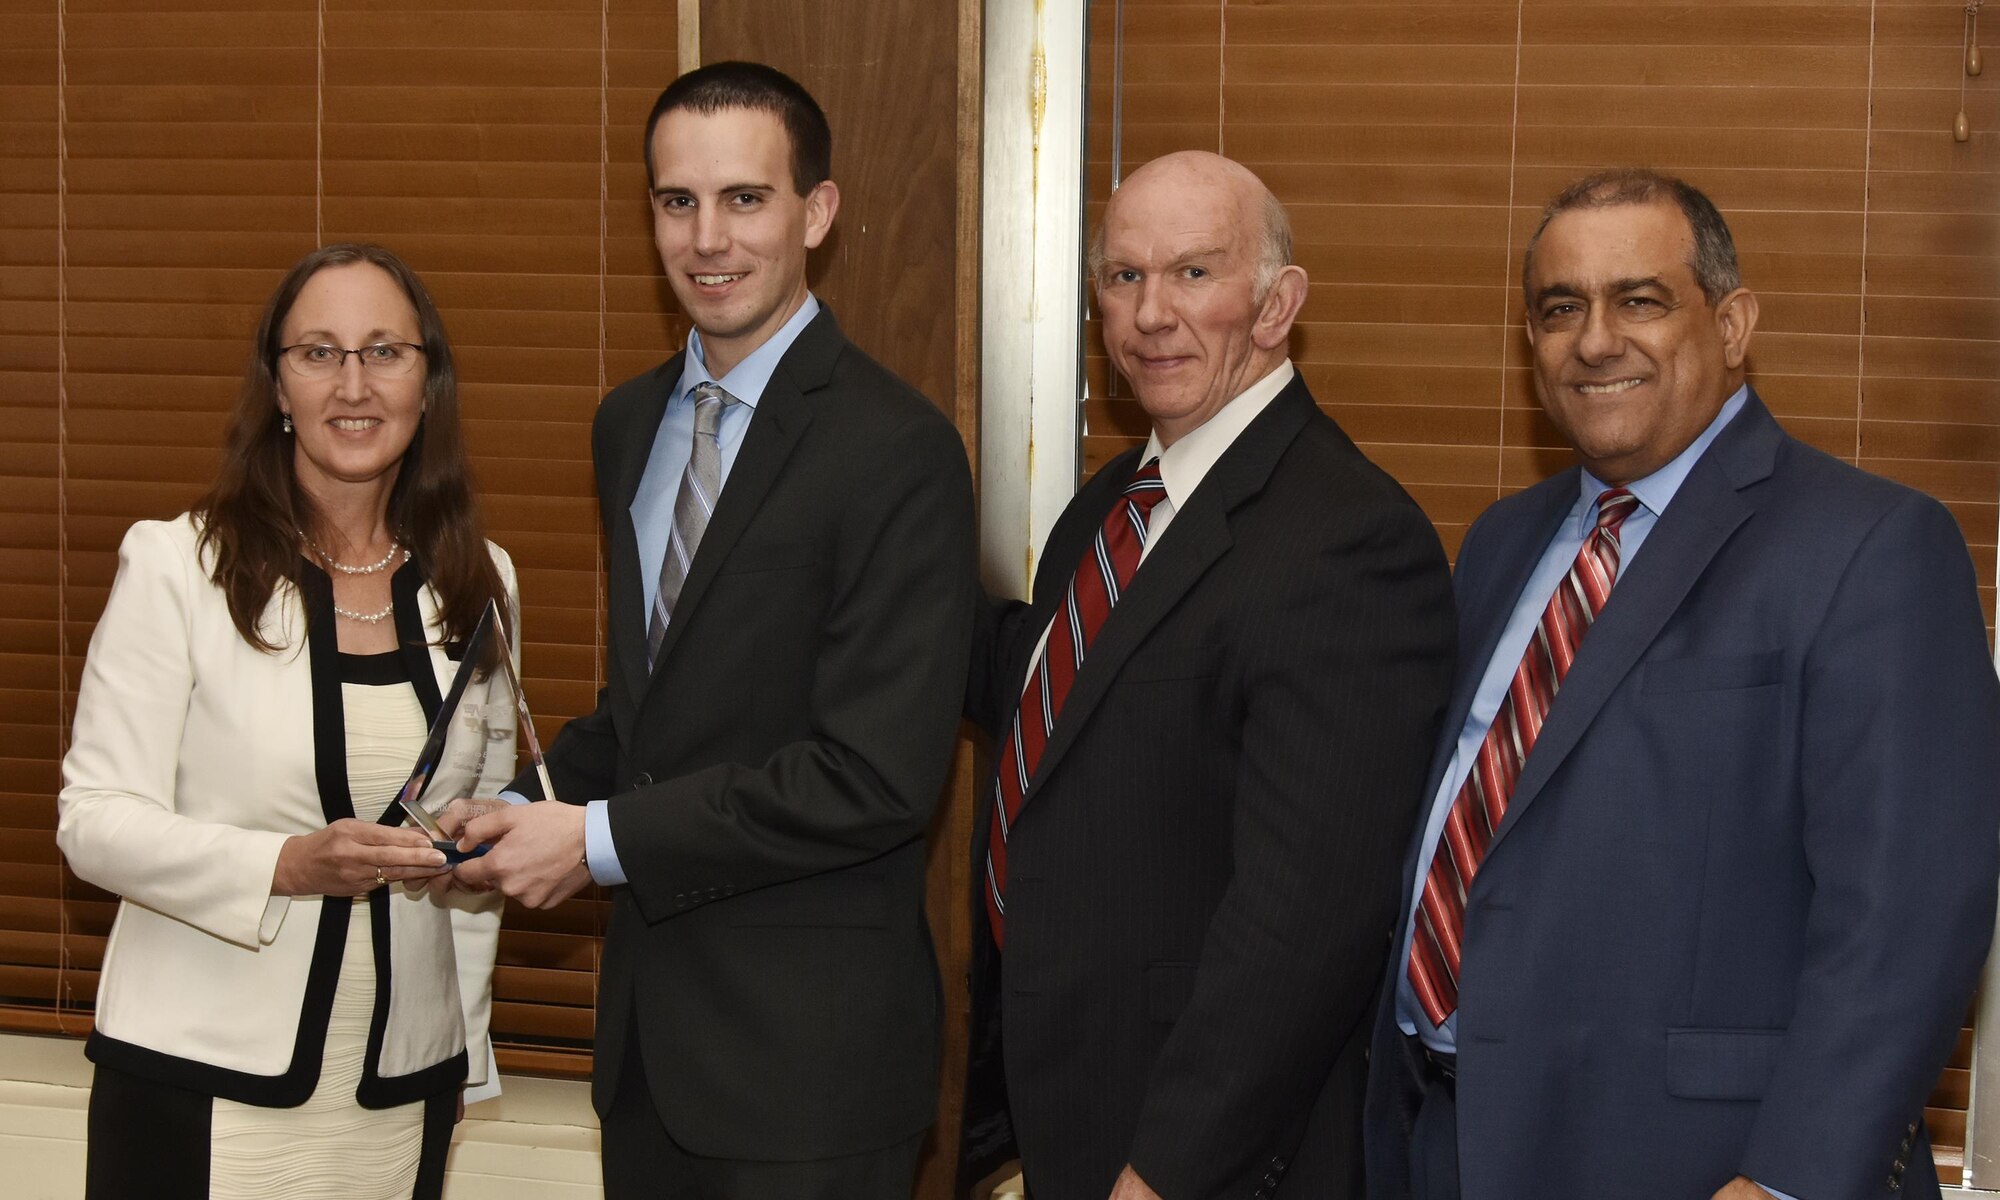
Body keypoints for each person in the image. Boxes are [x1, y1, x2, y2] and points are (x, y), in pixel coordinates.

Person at [1364, 168, 2000, 1200]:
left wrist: (1786, 1182)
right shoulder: (1499, 544)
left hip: (1696, 1169)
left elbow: (1904, 918)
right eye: (1558, 308)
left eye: (1639, 300)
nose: (1594, 339)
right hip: (1449, 1141)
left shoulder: (1872, 547)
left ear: (1733, 323)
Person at [447, 61, 975, 1197]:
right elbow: (660, 713)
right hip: (647, 1059)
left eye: (745, 198)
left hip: (809, 1078)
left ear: (815, 213)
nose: (707, 238)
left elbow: (872, 777)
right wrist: (519, 801)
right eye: (676, 201)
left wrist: (588, 844)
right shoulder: (627, 423)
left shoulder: (898, 451)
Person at [958, 151, 1456, 1200]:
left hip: (1206, 1156)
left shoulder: (1347, 540)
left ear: (1278, 303)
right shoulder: (1107, 511)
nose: (1149, 314)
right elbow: (1066, 717)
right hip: (1065, 1113)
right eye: (1122, 277)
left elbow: (1303, 925)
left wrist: (1166, 1171)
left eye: (1192, 274)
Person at [57, 242, 514, 1200]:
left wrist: (462, 1053)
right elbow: (93, 821)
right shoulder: (178, 567)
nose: (354, 384)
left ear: (428, 382)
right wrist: (284, 865)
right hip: (198, 1074)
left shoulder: (484, 581)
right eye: (319, 352)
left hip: (401, 1088)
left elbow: (473, 854)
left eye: (386, 350)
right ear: (278, 386)